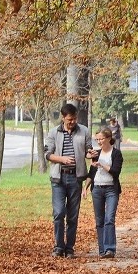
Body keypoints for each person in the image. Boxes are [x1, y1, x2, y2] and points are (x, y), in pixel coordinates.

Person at [44, 103, 92, 258]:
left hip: (76, 178)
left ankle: (69, 248)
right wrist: (62, 159)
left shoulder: (83, 131)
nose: (73, 122)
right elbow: (47, 154)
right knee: (59, 213)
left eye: (75, 119)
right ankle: (59, 246)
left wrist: (91, 154)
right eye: (70, 119)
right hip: (59, 178)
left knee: (72, 215)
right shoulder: (53, 133)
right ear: (63, 117)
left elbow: (87, 151)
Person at [85, 128, 123, 258]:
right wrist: (85, 188)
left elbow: (115, 171)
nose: (99, 142)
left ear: (108, 138)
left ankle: (110, 249)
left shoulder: (116, 154)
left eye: (101, 139)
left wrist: (101, 164)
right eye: (97, 139)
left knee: (109, 219)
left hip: (111, 189)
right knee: (99, 221)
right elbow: (91, 173)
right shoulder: (96, 153)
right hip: (97, 189)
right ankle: (102, 250)